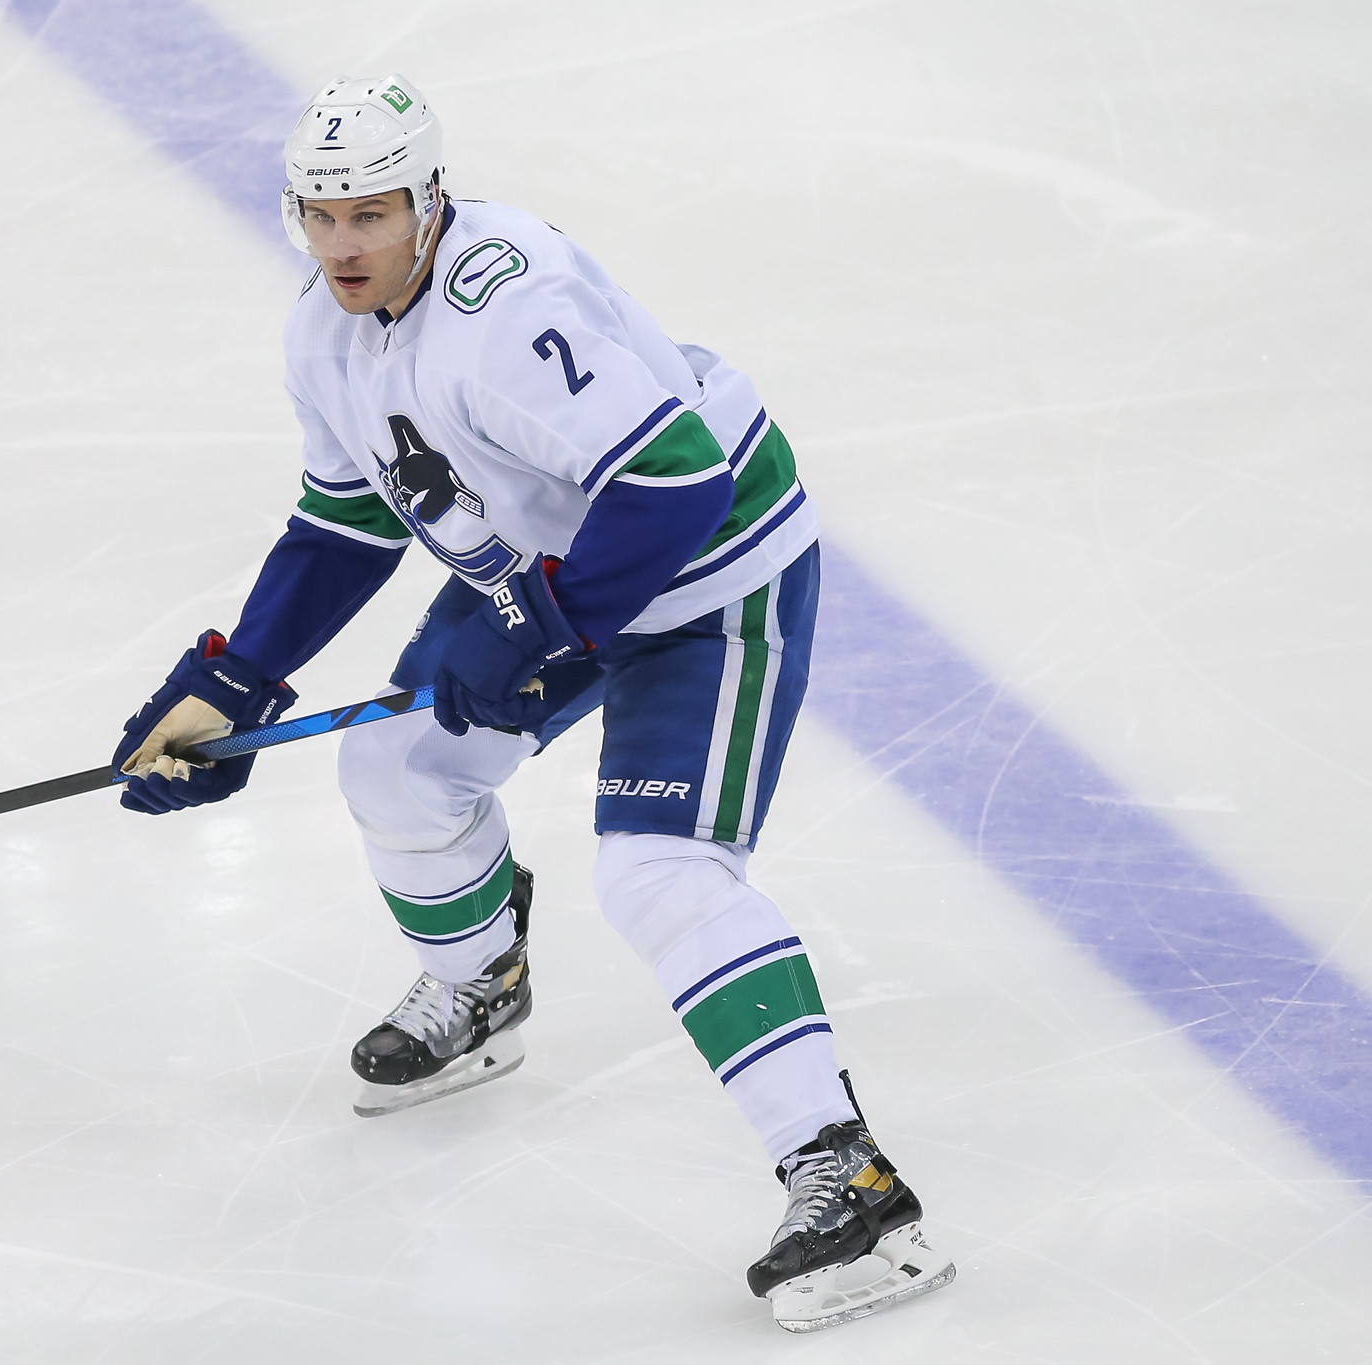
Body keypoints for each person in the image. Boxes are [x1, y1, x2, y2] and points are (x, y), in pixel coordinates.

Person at [110, 74, 953, 1333]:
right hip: (544, 562)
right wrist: (231, 680)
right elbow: (343, 524)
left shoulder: (506, 310)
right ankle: (478, 985)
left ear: (429, 199)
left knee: (660, 875)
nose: (344, 245)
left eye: (372, 214)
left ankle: (850, 1181)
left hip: (710, 568)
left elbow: (673, 483)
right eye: (319, 216)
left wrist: (550, 641)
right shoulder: (321, 334)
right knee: (394, 770)